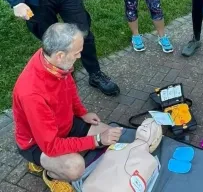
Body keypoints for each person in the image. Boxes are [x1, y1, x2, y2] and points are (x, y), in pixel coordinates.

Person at [13, 23, 124, 192]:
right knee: (75, 168)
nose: (79, 56)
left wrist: (82, 113)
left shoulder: (54, 62)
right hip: (38, 143)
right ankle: (49, 174)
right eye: (77, 53)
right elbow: (50, 146)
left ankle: (59, 159)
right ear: (59, 55)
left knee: (109, 133)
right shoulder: (31, 94)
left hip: (64, 124)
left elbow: (70, 89)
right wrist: (97, 140)